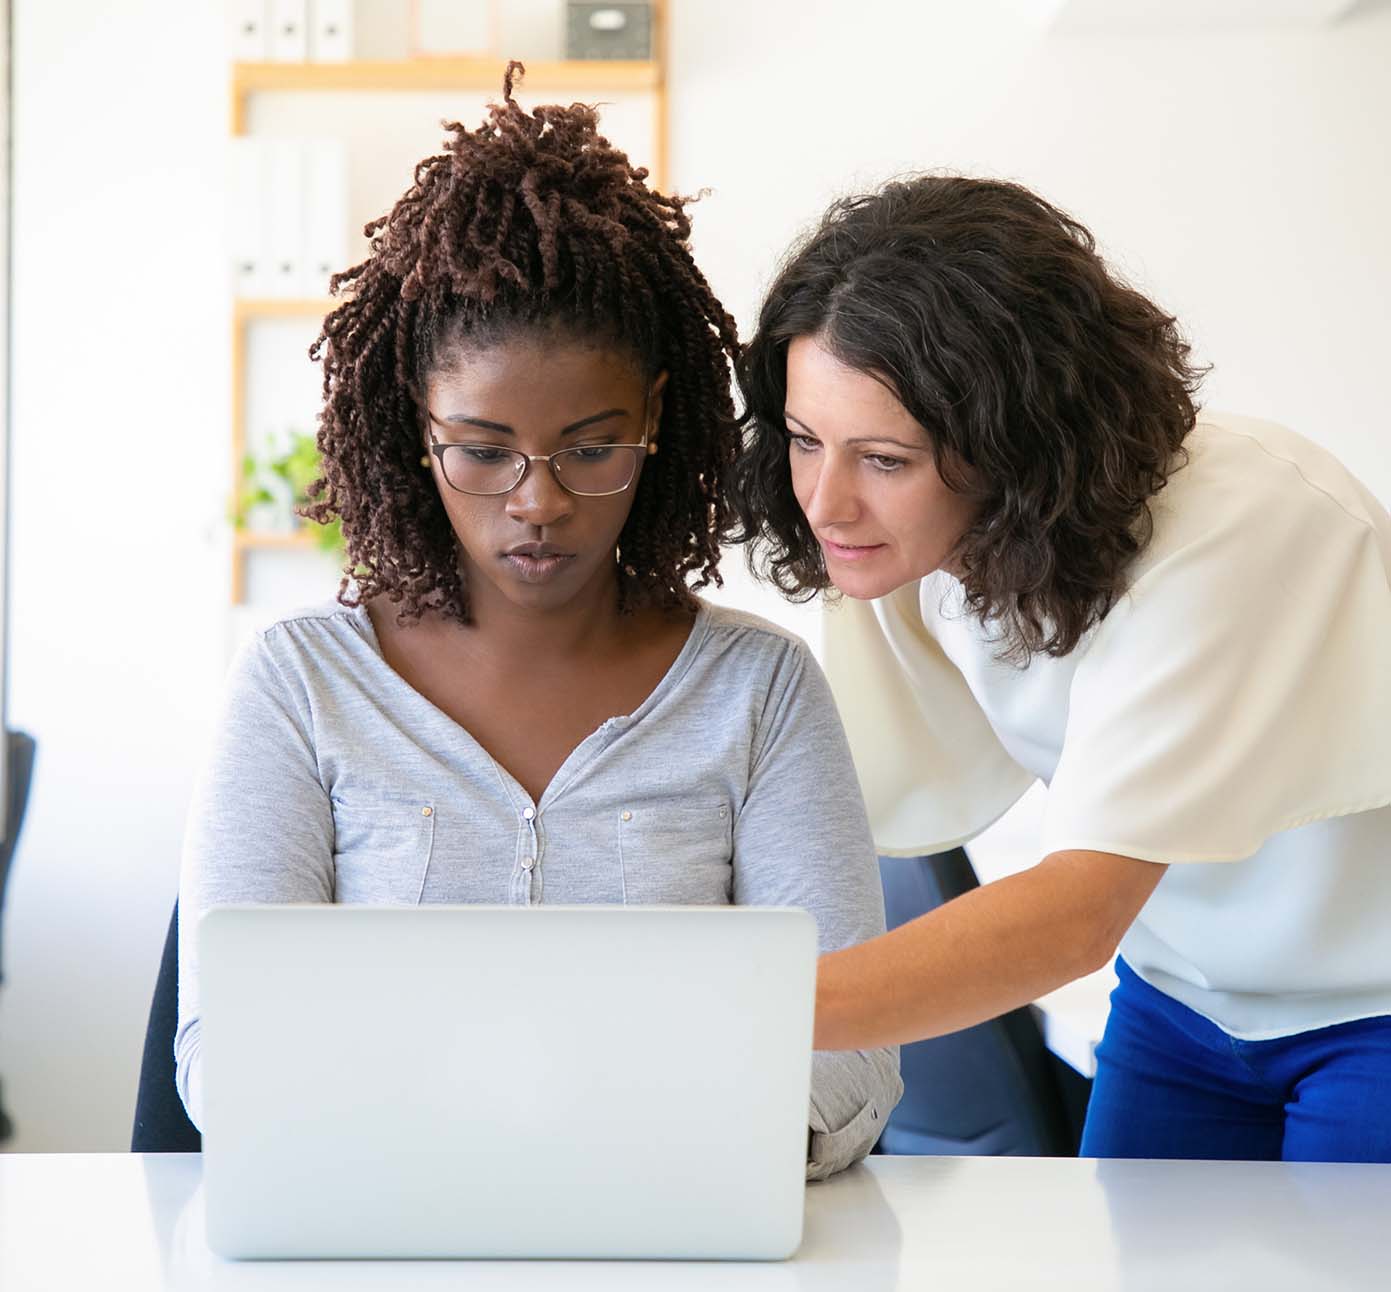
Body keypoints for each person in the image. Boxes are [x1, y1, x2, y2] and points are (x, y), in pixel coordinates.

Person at [176, 66, 900, 1179]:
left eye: (590, 446)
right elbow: (227, 1053)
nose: (539, 500)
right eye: (482, 449)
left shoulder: (758, 693)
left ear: (655, 418)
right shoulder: (297, 685)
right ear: (414, 428)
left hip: (672, 1223)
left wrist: (606, 1147)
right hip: (383, 1229)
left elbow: (850, 1054)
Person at [730, 174, 1391, 1163]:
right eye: (800, 440)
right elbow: (864, 810)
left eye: (883, 458)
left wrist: (715, 1016)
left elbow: (1075, 913)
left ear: (1019, 437)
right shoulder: (916, 545)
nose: (825, 503)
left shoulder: (1241, 527)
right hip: (1182, 1000)